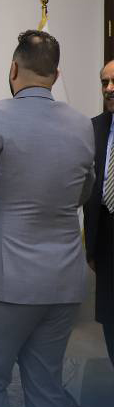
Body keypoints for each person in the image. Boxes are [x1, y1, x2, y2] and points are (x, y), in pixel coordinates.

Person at [0, 30, 94, 407]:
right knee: (46, 386)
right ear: (56, 75)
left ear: (13, 68)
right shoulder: (83, 125)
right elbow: (84, 190)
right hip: (63, 281)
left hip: (5, 281)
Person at [85, 58, 114, 368]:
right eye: (104, 82)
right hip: (105, 234)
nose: (109, 88)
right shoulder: (94, 127)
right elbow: (89, 190)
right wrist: (90, 247)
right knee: (109, 316)